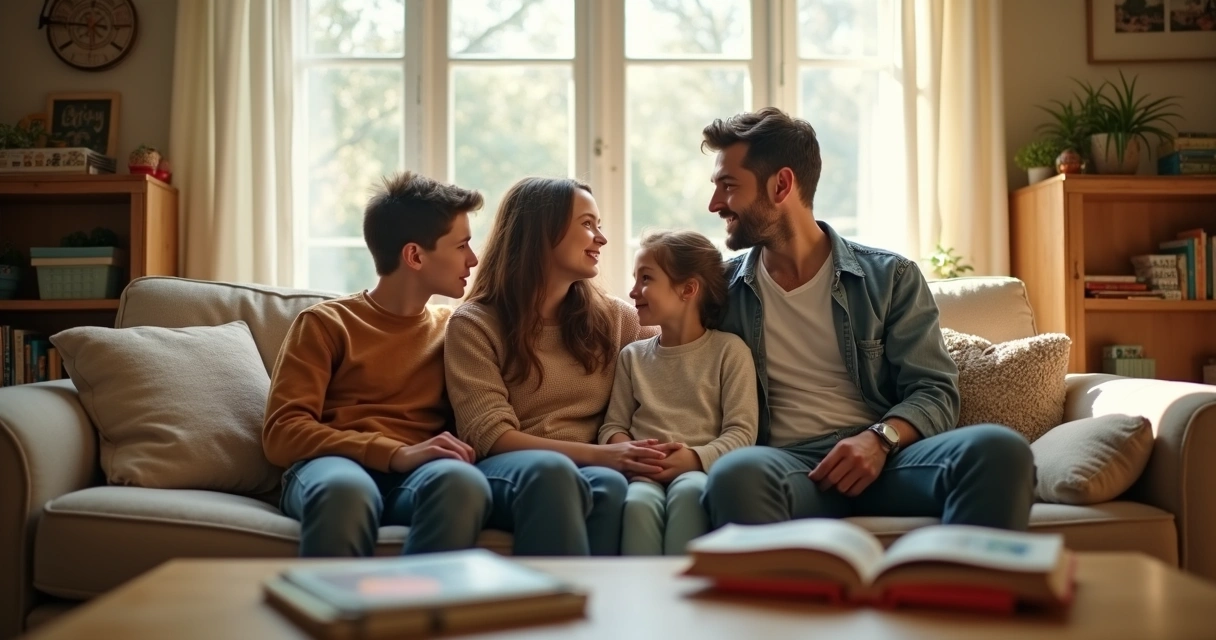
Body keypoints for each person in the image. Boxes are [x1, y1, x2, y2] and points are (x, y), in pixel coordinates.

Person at [699, 107, 1036, 531]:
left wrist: (879, 440)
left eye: (728, 187)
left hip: (888, 461)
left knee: (999, 449)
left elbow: (934, 390)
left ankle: (959, 588)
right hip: (790, 468)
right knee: (737, 474)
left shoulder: (889, 277)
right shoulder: (722, 292)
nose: (714, 204)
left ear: (782, 184)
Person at [445, 177, 676, 556]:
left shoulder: (618, 320)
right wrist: (602, 455)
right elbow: (490, 436)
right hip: (509, 471)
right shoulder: (475, 324)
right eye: (587, 224)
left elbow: (677, 355)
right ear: (541, 234)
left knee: (611, 485)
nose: (600, 238)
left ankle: (593, 607)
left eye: (599, 225)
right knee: (555, 473)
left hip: (590, 470)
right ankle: (547, 608)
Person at [263, 171, 491, 557]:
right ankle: (337, 615)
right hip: (333, 467)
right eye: (462, 245)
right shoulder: (325, 323)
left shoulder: (455, 330)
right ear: (415, 255)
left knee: (462, 483)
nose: (473, 258)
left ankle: (421, 614)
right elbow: (282, 432)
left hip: (416, 478)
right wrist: (394, 452)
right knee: (346, 492)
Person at [599, 230, 758, 556]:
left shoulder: (730, 352)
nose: (633, 291)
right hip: (643, 476)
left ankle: (684, 596)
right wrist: (630, 454)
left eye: (646, 278)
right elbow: (612, 426)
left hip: (699, 472)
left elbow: (742, 433)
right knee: (638, 504)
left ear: (688, 289)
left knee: (690, 495)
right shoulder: (632, 356)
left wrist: (695, 459)